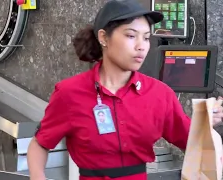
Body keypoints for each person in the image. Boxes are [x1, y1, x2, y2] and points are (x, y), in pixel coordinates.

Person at [27, 0, 223, 180]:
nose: (141, 47)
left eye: (146, 38)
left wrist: (203, 123)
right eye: (131, 36)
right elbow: (40, 143)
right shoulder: (69, 93)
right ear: (103, 37)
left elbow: (191, 142)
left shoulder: (160, 95)